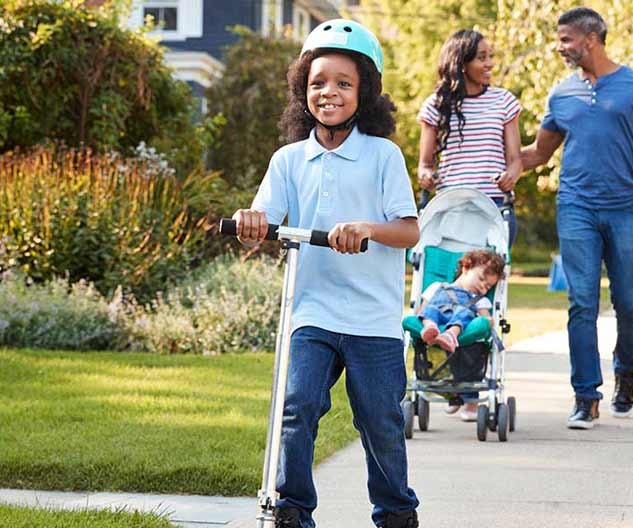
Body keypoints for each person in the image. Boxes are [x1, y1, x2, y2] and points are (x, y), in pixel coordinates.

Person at [232, 19, 420, 528]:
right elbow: (262, 223)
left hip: (372, 317)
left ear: (365, 92)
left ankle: (397, 513)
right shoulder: (289, 160)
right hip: (311, 311)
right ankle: (292, 511)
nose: (328, 92)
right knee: (297, 409)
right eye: (317, 82)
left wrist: (367, 229)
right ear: (301, 90)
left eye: (342, 82)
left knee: (380, 422)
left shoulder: (383, 156)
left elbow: (409, 231)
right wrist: (253, 223)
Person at [519, 7, 633, 430]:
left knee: (631, 304)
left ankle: (627, 371)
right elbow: (539, 152)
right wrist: (497, 164)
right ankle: (585, 396)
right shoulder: (561, 94)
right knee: (581, 302)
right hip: (576, 206)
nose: (560, 46)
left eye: (566, 38)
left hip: (625, 207)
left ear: (591, 38)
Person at [417, 29, 522, 246]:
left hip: (493, 206)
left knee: (489, 278)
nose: (490, 64)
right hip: (449, 208)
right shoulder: (436, 105)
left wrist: (511, 175)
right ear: (461, 64)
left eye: (490, 56)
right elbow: (424, 165)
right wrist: (426, 175)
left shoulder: (504, 101)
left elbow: (515, 161)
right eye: (482, 58)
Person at [413, 249, 504, 421]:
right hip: (436, 323)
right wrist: (428, 321)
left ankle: (450, 334)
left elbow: (487, 320)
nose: (483, 287)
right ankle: (430, 329)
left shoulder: (480, 300)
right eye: (481, 279)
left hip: (462, 333)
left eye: (488, 287)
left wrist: (488, 320)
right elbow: (422, 310)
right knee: (430, 310)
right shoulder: (436, 287)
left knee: (464, 313)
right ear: (465, 268)